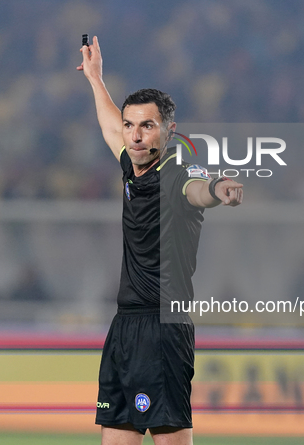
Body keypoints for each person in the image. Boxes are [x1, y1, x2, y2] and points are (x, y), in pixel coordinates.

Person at [77, 36, 243, 445]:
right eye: (131, 125)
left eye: (146, 126)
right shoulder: (133, 167)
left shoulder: (177, 173)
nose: (134, 135)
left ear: (169, 132)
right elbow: (109, 126)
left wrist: (220, 188)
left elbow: (199, 189)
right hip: (124, 327)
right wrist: (96, 79)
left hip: (163, 328)